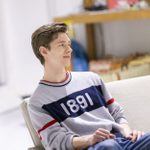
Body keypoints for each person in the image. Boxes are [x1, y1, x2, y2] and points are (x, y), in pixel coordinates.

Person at [28, 22, 150, 150]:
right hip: (94, 147)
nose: (69, 49)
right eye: (61, 45)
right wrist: (90, 139)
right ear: (44, 51)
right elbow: (55, 141)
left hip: (122, 140)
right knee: (108, 147)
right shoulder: (38, 102)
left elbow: (116, 113)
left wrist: (128, 133)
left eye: (68, 44)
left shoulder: (92, 79)